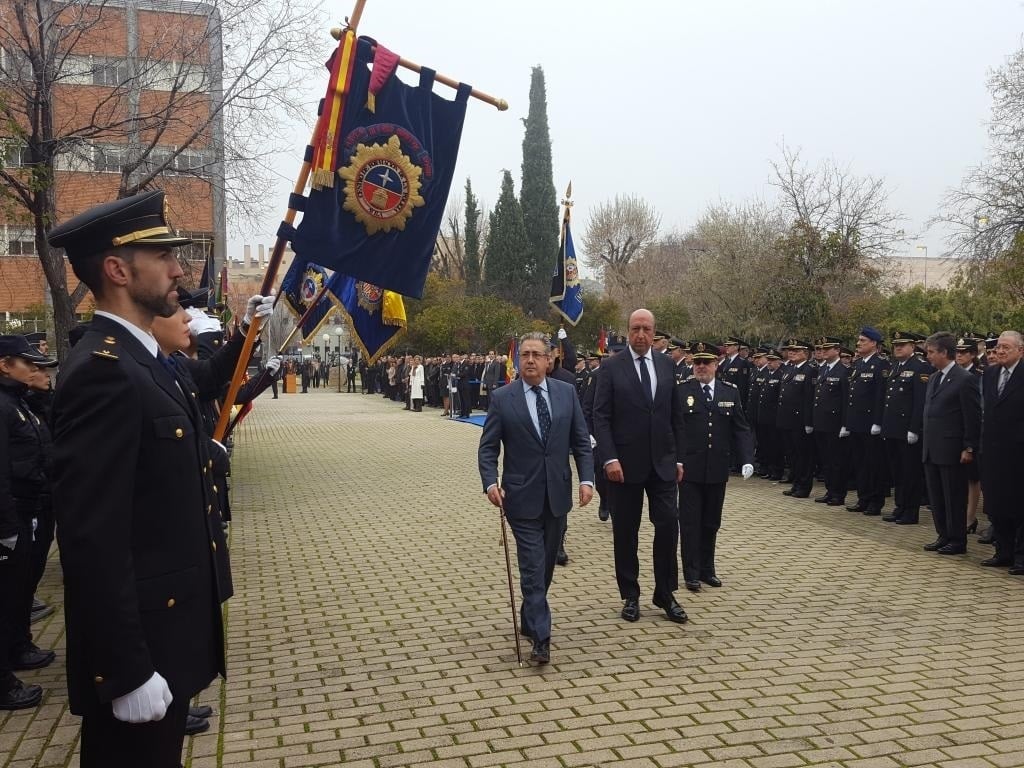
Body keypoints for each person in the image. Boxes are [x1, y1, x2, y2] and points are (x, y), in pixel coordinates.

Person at [47, 190, 225, 767]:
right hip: (141, 652)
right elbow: (92, 540)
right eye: (164, 256)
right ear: (118, 270)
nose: (178, 270)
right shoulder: (104, 374)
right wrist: (124, 670)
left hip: (168, 638)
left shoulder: (145, 361)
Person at [478, 332, 594, 665]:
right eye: (524, 354)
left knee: (544, 569)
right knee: (531, 566)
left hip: (557, 496)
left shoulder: (567, 393)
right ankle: (542, 639)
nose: (529, 359)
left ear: (549, 359)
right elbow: (488, 449)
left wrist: (587, 479)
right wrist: (490, 484)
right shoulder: (503, 398)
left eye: (536, 354)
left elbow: (581, 442)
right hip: (520, 498)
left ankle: (531, 615)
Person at [592, 309, 688, 625]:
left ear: (655, 332)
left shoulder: (666, 364)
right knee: (625, 531)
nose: (641, 335)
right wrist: (609, 458)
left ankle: (665, 592)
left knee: (668, 525)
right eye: (636, 329)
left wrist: (678, 458)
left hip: (662, 464)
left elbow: (676, 415)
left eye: (647, 329)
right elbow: (601, 417)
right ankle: (630, 594)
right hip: (624, 466)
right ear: (628, 331)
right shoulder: (610, 368)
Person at [0, 335, 59, 711]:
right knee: (5, 598)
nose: (36, 370)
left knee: (20, 590)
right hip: (13, 514)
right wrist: (6, 528)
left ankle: (18, 648)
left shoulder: (19, 402)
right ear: (5, 365)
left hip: (30, 508)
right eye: (28, 364)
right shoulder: (4, 407)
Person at [676, 342, 754, 592]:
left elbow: (740, 428)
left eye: (706, 363)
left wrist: (747, 459)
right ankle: (691, 572)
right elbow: (672, 429)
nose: (700, 367)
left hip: (717, 468)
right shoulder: (681, 391)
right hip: (688, 469)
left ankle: (708, 569)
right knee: (689, 523)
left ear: (716, 365)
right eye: (696, 362)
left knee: (711, 522)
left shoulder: (729, 391)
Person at [921, 331, 982, 556]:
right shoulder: (935, 377)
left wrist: (969, 447)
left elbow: (972, 417)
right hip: (931, 447)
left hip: (952, 449)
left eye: (931, 352)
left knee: (953, 496)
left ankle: (957, 540)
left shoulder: (965, 379)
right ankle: (943, 534)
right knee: (936, 496)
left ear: (945, 352)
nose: (928, 356)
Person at [979, 331, 1024, 572]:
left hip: (1018, 451)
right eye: (998, 347)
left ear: (1021, 350)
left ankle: (1021, 556)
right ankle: (1003, 551)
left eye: (1006, 347)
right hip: (994, 451)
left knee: (1019, 505)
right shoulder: (990, 373)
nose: (1000, 351)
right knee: (997, 504)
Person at [880, 332, 931, 525]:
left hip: (907, 430)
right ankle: (900, 506)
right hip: (892, 429)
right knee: (898, 472)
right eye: (895, 345)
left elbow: (920, 401)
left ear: (912, 347)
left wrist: (914, 428)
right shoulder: (895, 367)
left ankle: (911, 510)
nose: (898, 348)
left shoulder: (920, 367)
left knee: (910, 472)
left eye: (903, 345)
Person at [844, 327, 891, 516]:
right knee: (860, 463)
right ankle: (863, 498)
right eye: (859, 340)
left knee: (873, 464)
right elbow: (852, 396)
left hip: (871, 423)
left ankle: (875, 501)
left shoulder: (881, 365)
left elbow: (881, 396)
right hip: (856, 422)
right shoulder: (858, 364)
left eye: (863, 340)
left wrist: (878, 422)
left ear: (874, 343)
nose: (859, 343)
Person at [811, 337, 851, 507]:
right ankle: (830, 490)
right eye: (822, 348)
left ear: (837, 350)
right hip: (821, 421)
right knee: (826, 460)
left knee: (837, 461)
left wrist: (845, 424)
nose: (824, 351)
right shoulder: (823, 370)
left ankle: (838, 493)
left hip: (835, 423)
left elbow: (845, 400)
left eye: (828, 349)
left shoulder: (844, 371)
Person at [776, 340, 815, 498]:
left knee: (803, 455)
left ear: (805, 353)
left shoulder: (810, 370)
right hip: (787, 419)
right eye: (789, 350)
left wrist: (808, 422)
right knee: (792, 455)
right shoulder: (789, 368)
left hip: (799, 421)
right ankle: (796, 483)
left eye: (795, 350)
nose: (791, 352)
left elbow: (809, 398)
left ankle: (804, 486)